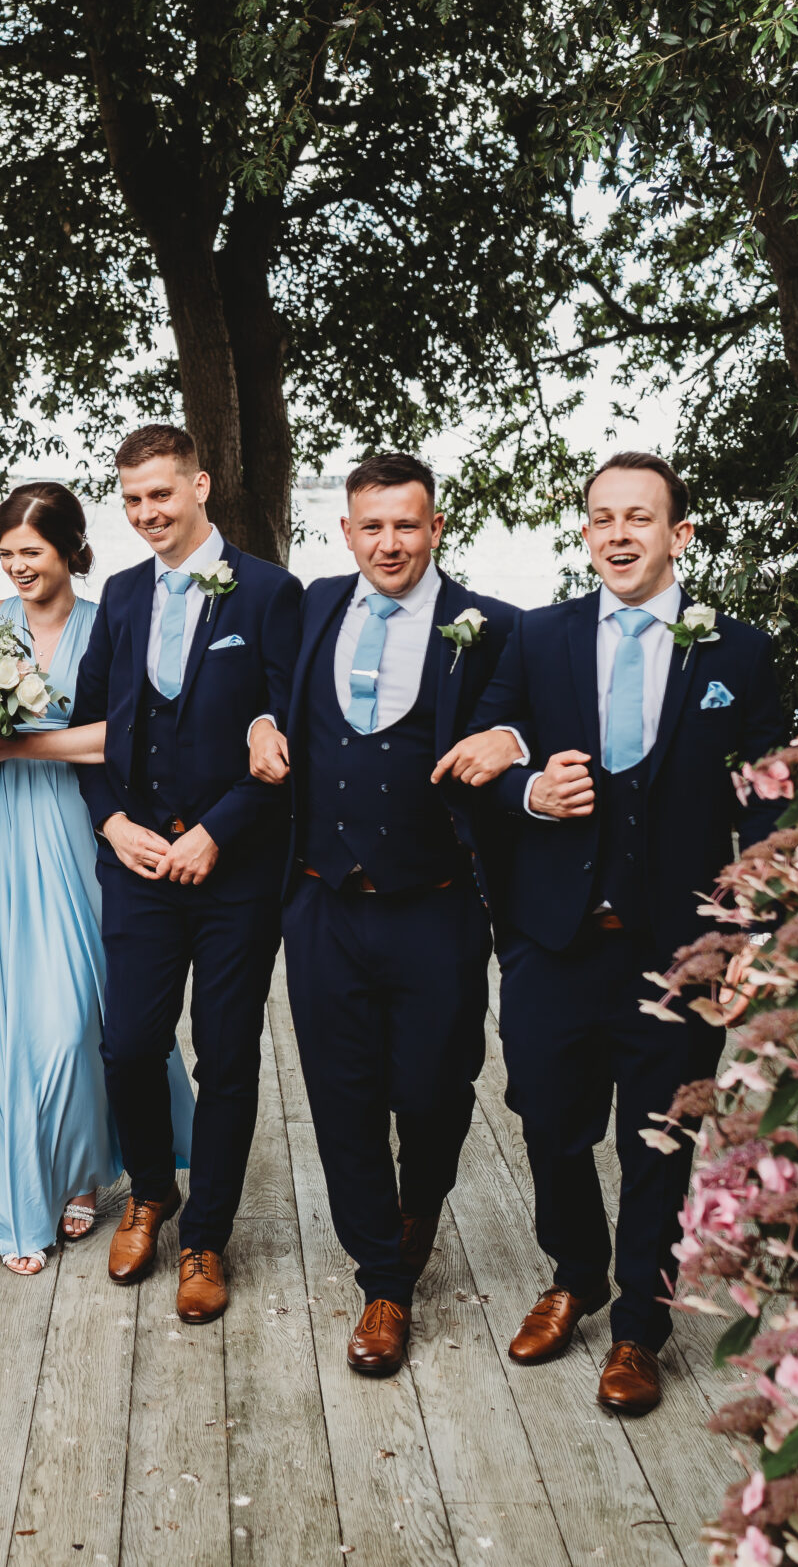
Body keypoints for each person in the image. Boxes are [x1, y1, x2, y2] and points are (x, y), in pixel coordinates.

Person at [438, 450, 784, 1415]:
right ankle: (575, 1272)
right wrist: (531, 791)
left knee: (659, 1137)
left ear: (679, 533)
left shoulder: (738, 654)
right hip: (557, 936)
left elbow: (767, 807)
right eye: (601, 518)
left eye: (639, 517)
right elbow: (492, 747)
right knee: (546, 1114)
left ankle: (638, 1322)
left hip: (680, 948)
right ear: (585, 532)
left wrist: (751, 933)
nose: (618, 534)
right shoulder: (540, 637)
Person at [245, 454, 520, 1377]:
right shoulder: (314, 603)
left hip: (436, 904)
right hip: (322, 900)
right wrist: (257, 725)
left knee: (436, 1089)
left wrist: (511, 738)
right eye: (373, 525)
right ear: (348, 531)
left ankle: (421, 1204)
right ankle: (383, 1282)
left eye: (407, 524)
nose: (390, 542)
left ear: (436, 527)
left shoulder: (490, 627)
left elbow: (546, 721)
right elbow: (266, 694)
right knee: (342, 1096)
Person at [0, 483, 193, 1274]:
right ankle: (12, 1192)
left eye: (33, 553)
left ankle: (82, 1167)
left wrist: (15, 746)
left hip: (74, 826)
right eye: (7, 553)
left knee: (73, 1014)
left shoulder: (106, 621)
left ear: (71, 548)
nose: (17, 568)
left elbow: (117, 736)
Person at [70, 424, 301, 1324]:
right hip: (135, 863)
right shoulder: (120, 596)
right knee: (128, 1041)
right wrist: (113, 820)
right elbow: (95, 729)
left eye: (160, 495)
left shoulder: (273, 593)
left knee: (229, 1053)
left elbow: (292, 735)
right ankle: (152, 1190)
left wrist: (219, 829)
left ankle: (208, 1232)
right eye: (131, 501)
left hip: (234, 871)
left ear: (201, 484)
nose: (146, 514)